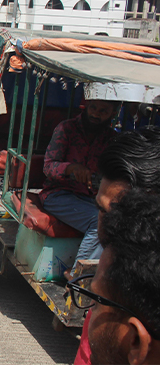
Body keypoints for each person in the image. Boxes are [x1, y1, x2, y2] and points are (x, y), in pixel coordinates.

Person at [71, 126, 160, 365]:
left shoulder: (117, 301)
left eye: (123, 221)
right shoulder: (108, 288)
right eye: (102, 211)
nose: (108, 229)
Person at [40, 99, 119, 279]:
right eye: (93, 108)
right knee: (97, 221)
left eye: (103, 111)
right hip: (58, 194)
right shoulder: (66, 129)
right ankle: (77, 276)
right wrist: (71, 168)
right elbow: (48, 167)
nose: (96, 114)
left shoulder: (112, 139)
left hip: (91, 197)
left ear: (113, 114)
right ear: (87, 107)